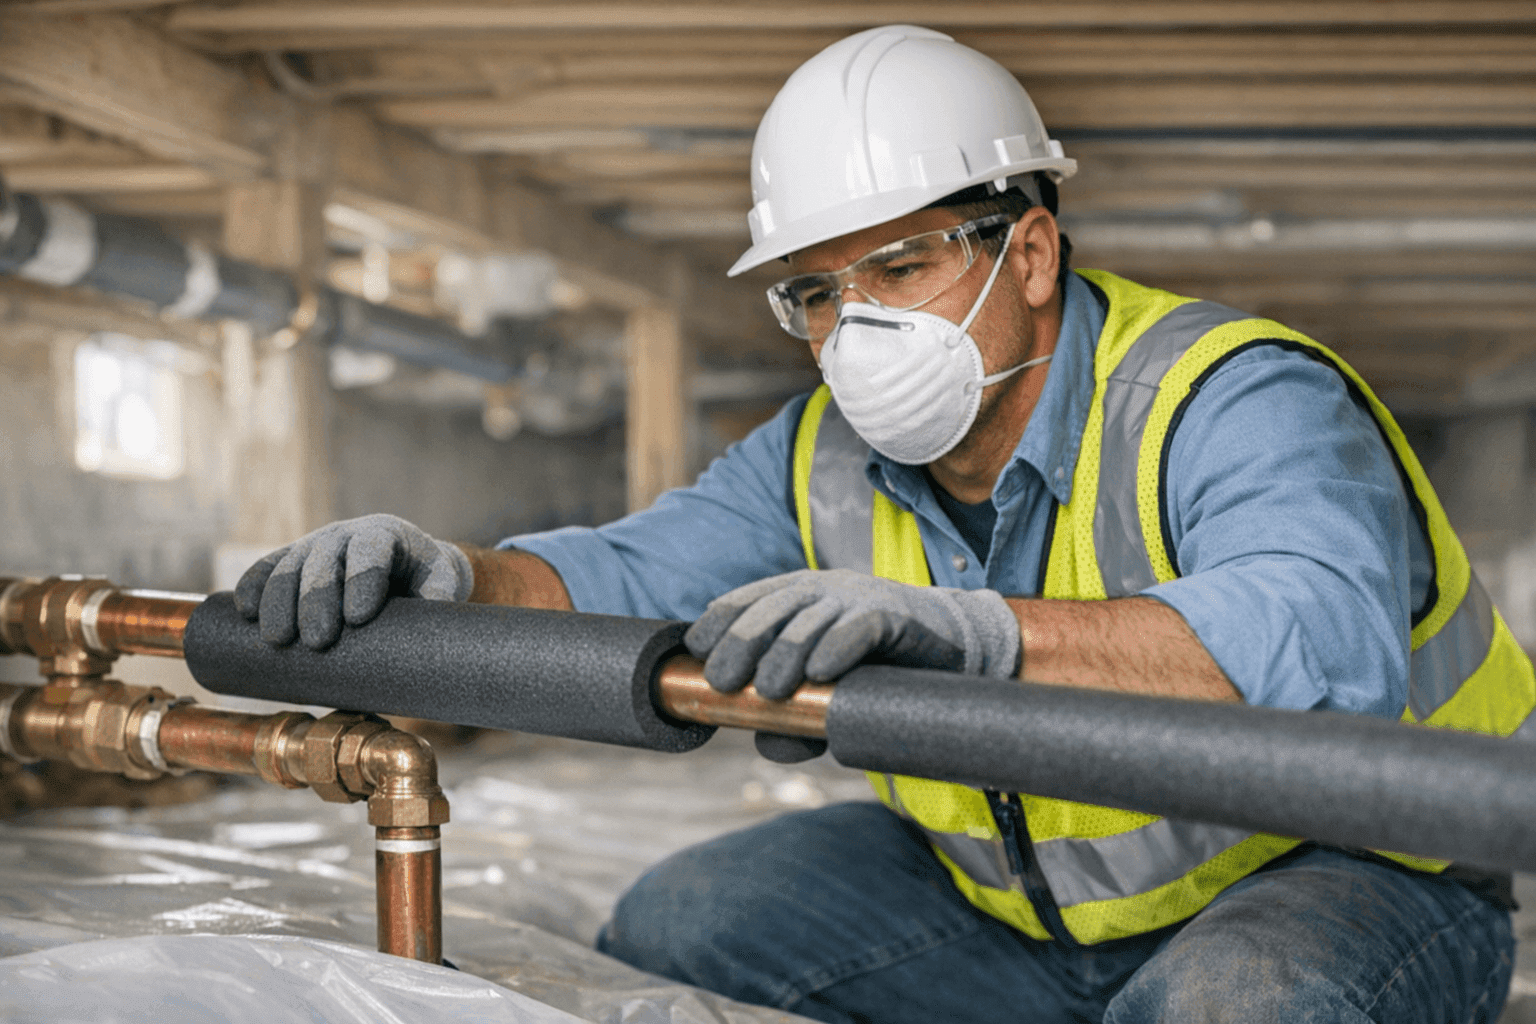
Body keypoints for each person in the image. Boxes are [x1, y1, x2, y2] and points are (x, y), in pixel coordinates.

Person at [236, 26, 1530, 1024]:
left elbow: (1322, 638)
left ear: (1032, 255)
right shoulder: (817, 455)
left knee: (1234, 1004)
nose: (855, 330)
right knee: (690, 919)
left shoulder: (1224, 395)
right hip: (1017, 914)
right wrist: (450, 578)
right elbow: (622, 575)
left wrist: (975, 635)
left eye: (902, 268)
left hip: (1344, 875)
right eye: (816, 292)